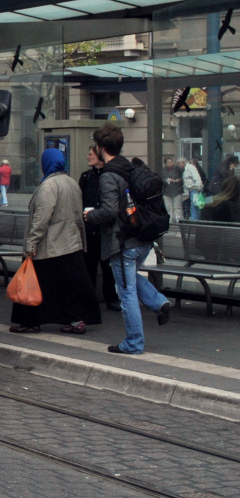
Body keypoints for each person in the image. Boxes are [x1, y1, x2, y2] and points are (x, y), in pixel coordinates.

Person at [85, 124, 171, 355]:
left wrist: (90, 215)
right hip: (141, 239)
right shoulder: (130, 167)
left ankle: (133, 343)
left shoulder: (109, 176)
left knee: (126, 292)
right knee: (129, 279)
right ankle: (159, 302)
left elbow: (110, 211)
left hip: (122, 242)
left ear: (102, 148)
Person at [10, 148, 101, 334]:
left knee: (33, 284)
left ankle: (29, 321)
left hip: (49, 246)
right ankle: (75, 320)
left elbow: (41, 219)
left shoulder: (48, 186)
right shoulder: (71, 182)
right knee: (68, 287)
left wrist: (31, 243)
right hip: (70, 244)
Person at [78, 145, 119, 310]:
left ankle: (111, 297)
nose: (88, 156)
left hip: (105, 228)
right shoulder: (86, 177)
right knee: (89, 265)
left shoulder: (109, 176)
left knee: (107, 265)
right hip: (89, 228)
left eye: (91, 154)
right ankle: (90, 298)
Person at [161, 155, 183, 225]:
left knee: (177, 207)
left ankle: (178, 220)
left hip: (177, 190)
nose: (170, 164)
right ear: (165, 163)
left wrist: (179, 180)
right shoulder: (163, 170)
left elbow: (182, 178)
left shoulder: (177, 169)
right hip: (167, 191)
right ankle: (169, 221)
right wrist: (167, 180)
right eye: (168, 162)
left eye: (171, 162)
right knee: (169, 207)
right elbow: (161, 180)